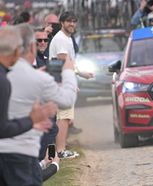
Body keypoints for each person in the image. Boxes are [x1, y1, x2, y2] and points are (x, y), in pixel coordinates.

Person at [0, 23, 76, 186]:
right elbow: (67, 100)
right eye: (38, 41)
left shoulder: (9, 74)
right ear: (32, 47)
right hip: (21, 152)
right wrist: (69, 71)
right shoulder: (30, 78)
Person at [49, 11, 92, 159]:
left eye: (74, 21)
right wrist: (73, 80)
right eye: (69, 21)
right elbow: (63, 62)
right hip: (61, 82)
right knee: (63, 118)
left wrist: (78, 75)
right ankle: (60, 152)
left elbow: (68, 63)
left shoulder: (66, 38)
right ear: (62, 23)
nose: (72, 24)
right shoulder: (61, 39)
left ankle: (58, 151)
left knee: (64, 118)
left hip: (62, 81)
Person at [0, 25, 54, 139]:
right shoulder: (4, 80)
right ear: (16, 52)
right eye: (39, 40)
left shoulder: (5, 76)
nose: (43, 43)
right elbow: (3, 129)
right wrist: (31, 121)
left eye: (45, 40)